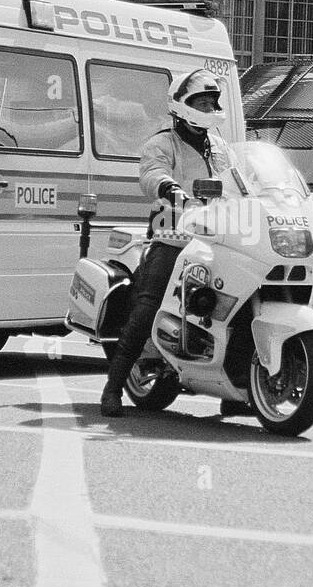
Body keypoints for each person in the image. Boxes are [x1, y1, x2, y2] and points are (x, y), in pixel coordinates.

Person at [100, 69, 234, 418]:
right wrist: (168, 187)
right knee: (148, 304)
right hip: (171, 229)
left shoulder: (220, 147)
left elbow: (239, 181)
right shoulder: (162, 143)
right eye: (201, 101)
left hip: (216, 232)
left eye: (212, 101)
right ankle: (113, 388)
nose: (208, 107)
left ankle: (236, 391)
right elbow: (150, 173)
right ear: (182, 106)